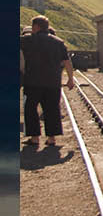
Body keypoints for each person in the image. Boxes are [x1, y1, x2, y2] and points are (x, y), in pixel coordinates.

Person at [21, 15, 74, 147]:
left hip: (32, 82)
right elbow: (67, 62)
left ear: (36, 27)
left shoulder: (27, 40)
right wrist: (70, 79)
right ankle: (51, 138)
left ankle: (35, 137)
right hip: (53, 82)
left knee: (30, 108)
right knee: (52, 109)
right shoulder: (59, 42)